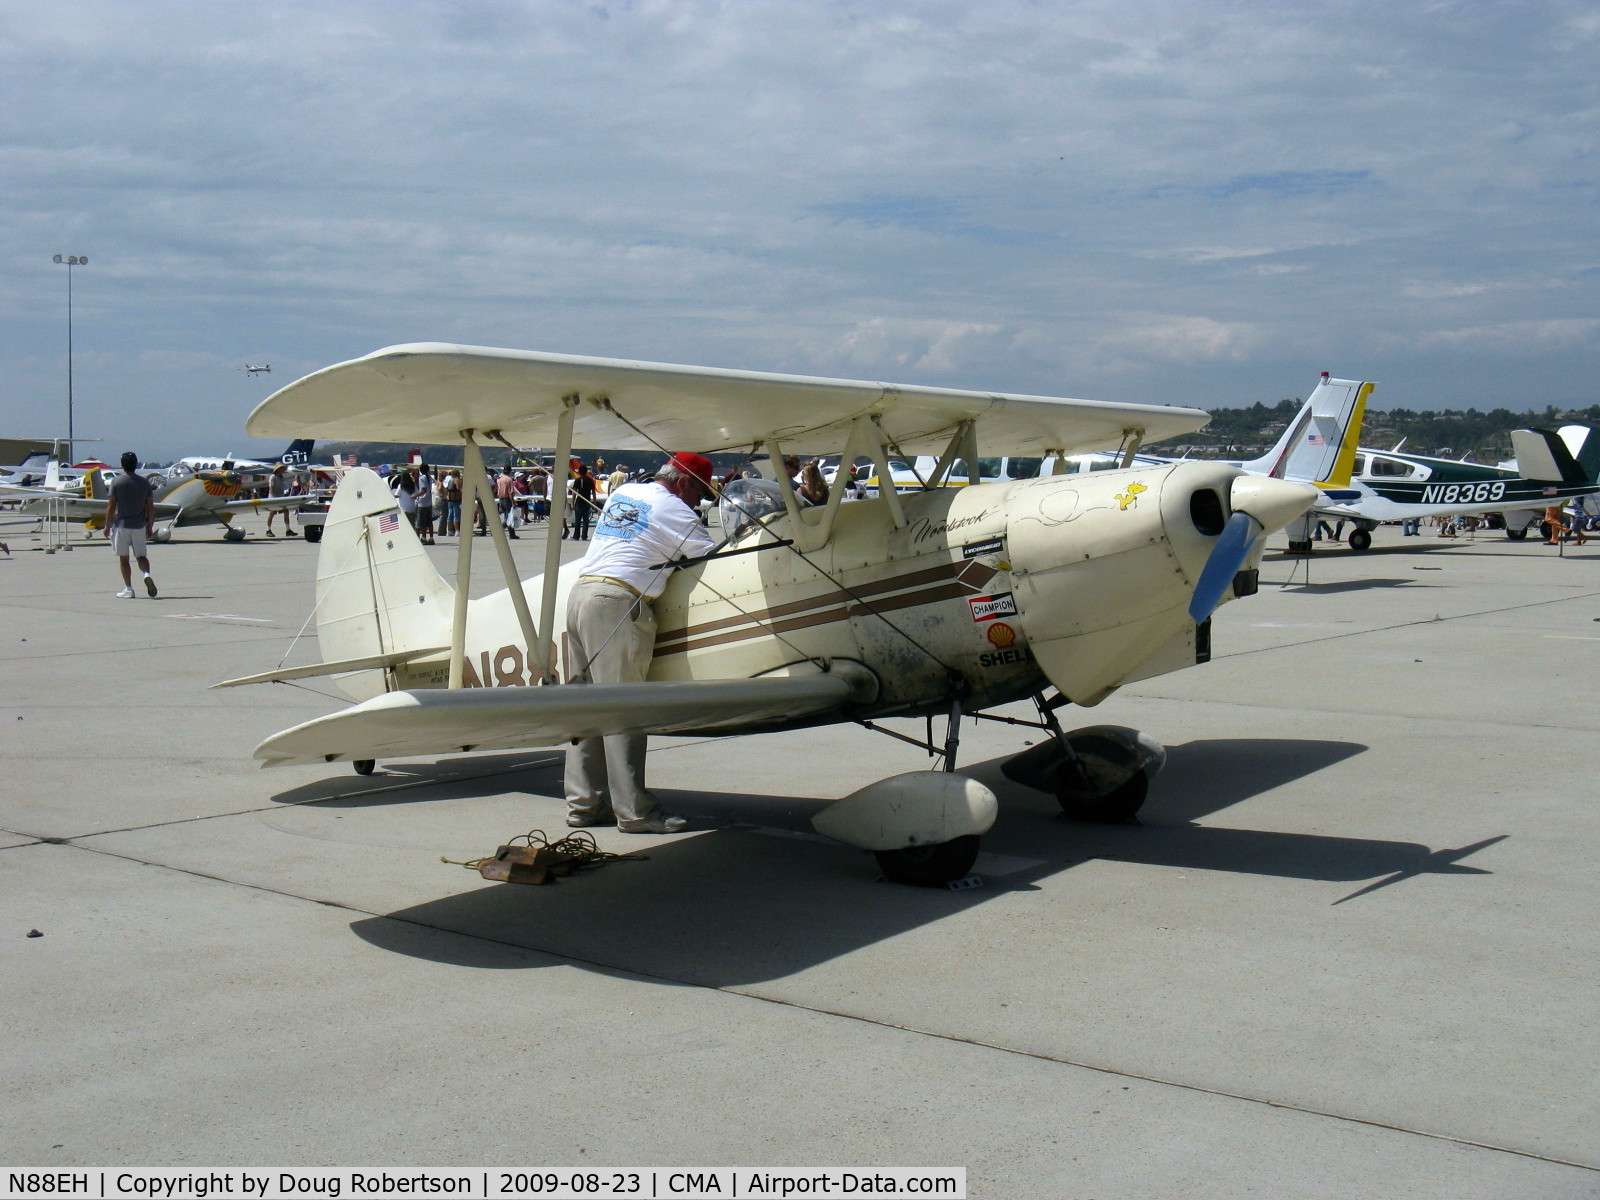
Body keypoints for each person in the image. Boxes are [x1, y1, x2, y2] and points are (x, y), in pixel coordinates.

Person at [564, 452, 717, 833]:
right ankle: (635, 813)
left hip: (580, 595)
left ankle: (585, 805)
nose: (698, 502)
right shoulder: (677, 512)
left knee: (585, 708)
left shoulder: (627, 491)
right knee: (624, 710)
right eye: (698, 492)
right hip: (617, 603)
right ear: (683, 482)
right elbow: (712, 555)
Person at [104, 451, 157, 598]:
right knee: (141, 556)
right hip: (139, 525)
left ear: (122, 465)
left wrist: (107, 524)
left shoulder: (117, 482)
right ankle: (146, 574)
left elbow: (111, 505)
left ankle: (128, 588)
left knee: (124, 558)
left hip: (122, 525)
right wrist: (150, 525)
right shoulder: (144, 483)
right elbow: (150, 506)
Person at [265, 463, 298, 537]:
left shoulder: (281, 477)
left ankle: (288, 530)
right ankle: (268, 530)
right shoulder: (272, 477)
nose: (283, 470)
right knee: (272, 513)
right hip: (274, 498)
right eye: (282, 468)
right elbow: (271, 488)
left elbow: (282, 488)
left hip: (280, 497)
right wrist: (274, 498)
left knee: (286, 512)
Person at [570, 463, 598, 540]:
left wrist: (572, 503)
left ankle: (576, 536)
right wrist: (594, 504)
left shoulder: (578, 480)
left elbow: (574, 493)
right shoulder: (590, 480)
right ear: (586, 472)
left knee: (578, 520)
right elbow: (593, 493)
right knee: (586, 520)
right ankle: (584, 536)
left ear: (579, 472)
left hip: (579, 502)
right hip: (587, 502)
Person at [493, 466, 522, 538]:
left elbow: (499, 492)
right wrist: (513, 503)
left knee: (507, 517)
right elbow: (510, 493)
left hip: (501, 499)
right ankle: (501, 531)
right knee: (509, 517)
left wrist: (500, 504)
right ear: (510, 471)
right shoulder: (509, 480)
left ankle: (509, 533)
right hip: (507, 499)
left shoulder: (500, 480)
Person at [415, 462, 436, 545]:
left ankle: (423, 537)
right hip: (429, 502)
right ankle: (431, 538)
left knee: (422, 522)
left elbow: (423, 489)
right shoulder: (429, 477)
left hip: (422, 502)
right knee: (429, 522)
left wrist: (416, 495)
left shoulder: (422, 478)